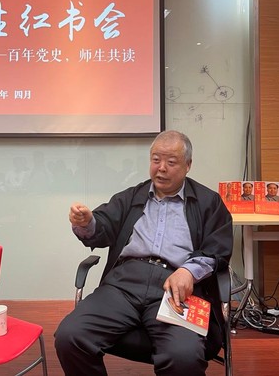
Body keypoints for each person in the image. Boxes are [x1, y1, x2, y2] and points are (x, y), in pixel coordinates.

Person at [54, 130, 233, 376]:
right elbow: (102, 226)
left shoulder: (208, 202)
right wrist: (87, 222)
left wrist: (189, 272)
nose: (161, 168)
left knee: (184, 356)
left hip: (176, 288)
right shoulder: (131, 197)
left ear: (188, 165)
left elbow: (217, 248)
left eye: (171, 162)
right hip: (123, 284)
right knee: (70, 336)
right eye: (156, 160)